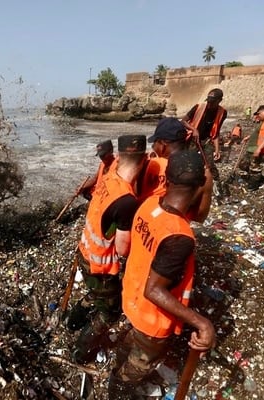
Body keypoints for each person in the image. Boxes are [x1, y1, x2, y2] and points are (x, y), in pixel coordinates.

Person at [108, 150, 216, 397]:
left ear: (166, 180)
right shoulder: (180, 238)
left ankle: (116, 376)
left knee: (126, 352)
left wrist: (204, 187)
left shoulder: (149, 205)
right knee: (133, 372)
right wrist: (202, 323)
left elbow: (195, 214)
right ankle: (117, 391)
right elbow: (154, 290)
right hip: (152, 320)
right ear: (200, 183)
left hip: (132, 301)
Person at [69, 135, 147, 365]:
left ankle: (71, 321)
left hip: (84, 250)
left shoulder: (109, 178)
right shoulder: (126, 201)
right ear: (142, 161)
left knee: (95, 296)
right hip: (100, 265)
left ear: (119, 157)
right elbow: (123, 249)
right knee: (109, 312)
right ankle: (80, 352)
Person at [138, 117, 213, 223]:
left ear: (163, 145)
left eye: (155, 143)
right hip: (175, 230)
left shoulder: (149, 163)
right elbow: (200, 216)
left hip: (141, 224)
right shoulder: (203, 173)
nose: (153, 147)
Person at [181, 88, 228, 198]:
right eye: (208, 101)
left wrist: (217, 150)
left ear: (219, 100)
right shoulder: (198, 107)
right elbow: (183, 121)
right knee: (190, 162)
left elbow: (216, 132)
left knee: (210, 164)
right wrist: (193, 129)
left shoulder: (222, 112)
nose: (209, 104)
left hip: (207, 140)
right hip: (193, 139)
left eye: (212, 102)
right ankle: (190, 186)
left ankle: (216, 187)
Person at [238, 105, 264, 191]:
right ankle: (257, 178)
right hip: (252, 148)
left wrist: (259, 149)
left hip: (260, 149)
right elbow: (259, 133)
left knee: (255, 168)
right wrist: (249, 137)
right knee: (243, 164)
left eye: (259, 113)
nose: (258, 115)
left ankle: (253, 186)